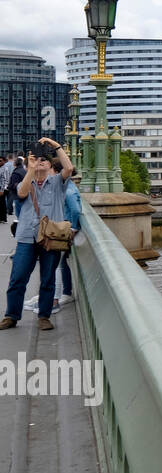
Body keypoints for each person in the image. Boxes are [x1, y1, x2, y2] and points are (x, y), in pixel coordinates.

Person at [1, 139, 72, 331]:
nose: (40, 162)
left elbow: (69, 167)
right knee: (18, 277)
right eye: (35, 160)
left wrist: (54, 144)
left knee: (47, 279)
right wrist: (30, 170)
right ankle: (11, 316)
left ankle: (44, 316)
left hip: (50, 239)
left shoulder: (58, 183)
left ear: (50, 165)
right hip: (26, 237)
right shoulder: (24, 180)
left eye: (44, 160)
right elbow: (22, 193)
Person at [57, 166, 83, 309]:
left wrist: (73, 227)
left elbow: (75, 210)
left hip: (65, 230)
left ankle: (65, 293)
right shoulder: (68, 188)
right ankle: (63, 293)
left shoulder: (68, 191)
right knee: (61, 263)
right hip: (64, 228)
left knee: (59, 263)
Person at [6, 155, 25, 237]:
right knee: (23, 215)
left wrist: (9, 187)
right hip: (24, 196)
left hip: (18, 196)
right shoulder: (24, 171)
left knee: (19, 216)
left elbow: (13, 184)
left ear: (15, 164)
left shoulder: (16, 172)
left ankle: (20, 232)